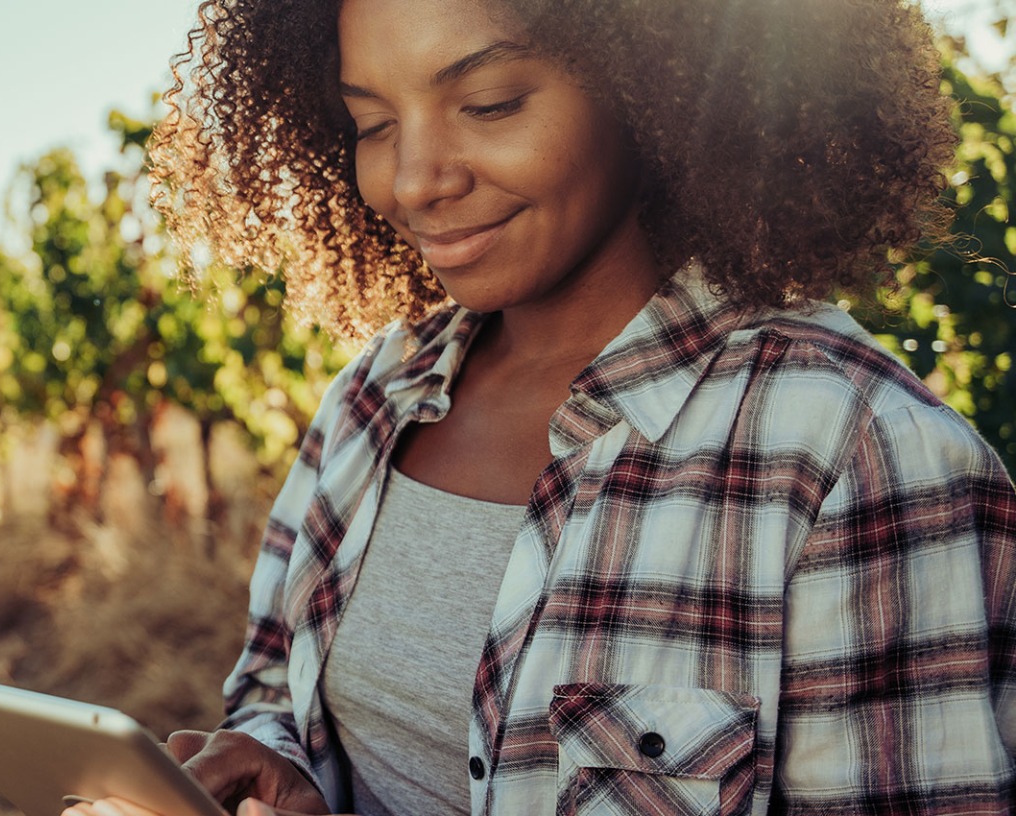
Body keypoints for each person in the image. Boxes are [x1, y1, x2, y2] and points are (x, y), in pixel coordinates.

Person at [67, 0, 1016, 813]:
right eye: (372, 123)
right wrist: (274, 766)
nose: (414, 182)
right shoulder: (375, 397)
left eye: (488, 104)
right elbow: (275, 687)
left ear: (657, 84)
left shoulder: (857, 455)